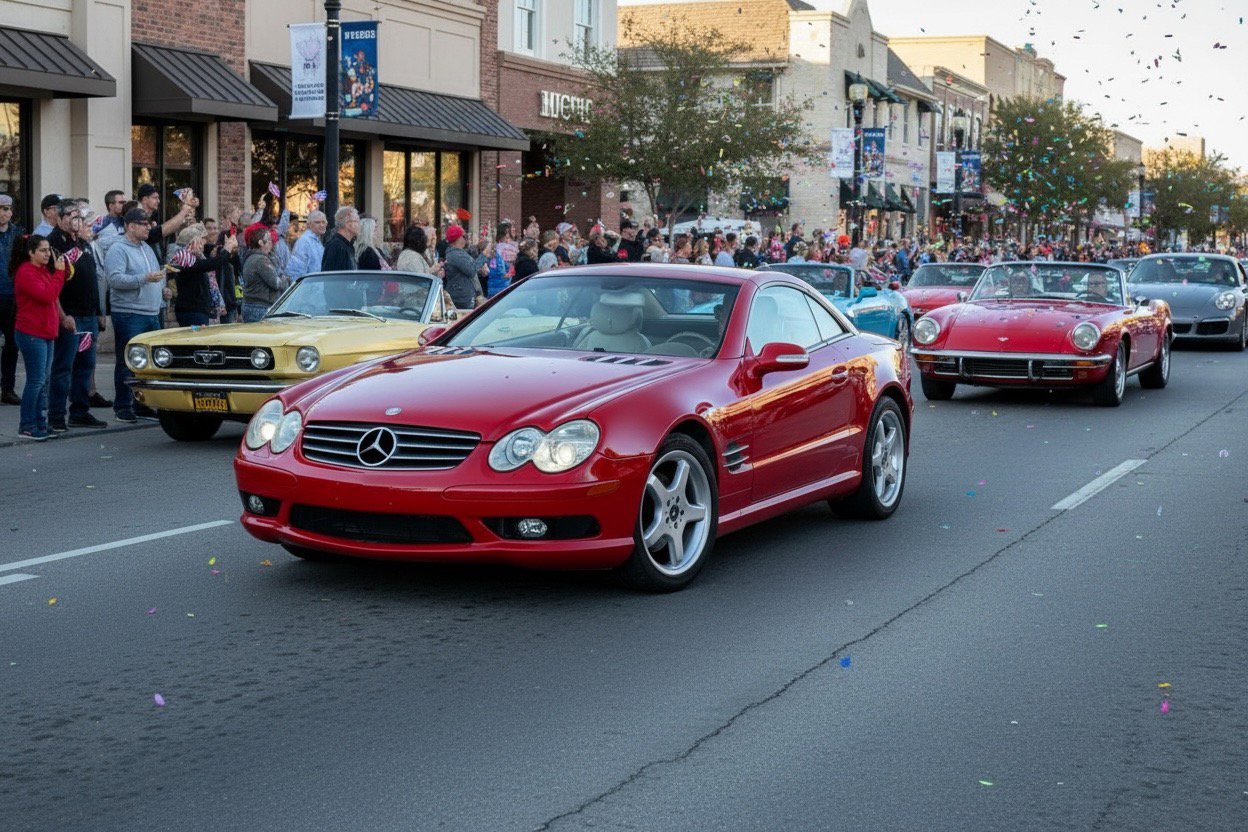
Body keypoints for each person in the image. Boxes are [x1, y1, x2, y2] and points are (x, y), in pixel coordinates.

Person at [46, 203, 106, 431]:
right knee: (63, 367)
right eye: (71, 216)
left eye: (79, 217)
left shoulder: (83, 243)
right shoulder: (53, 244)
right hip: (70, 316)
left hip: (88, 316)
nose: (76, 220)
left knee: (85, 364)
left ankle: (80, 411)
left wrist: (99, 312)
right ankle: (56, 416)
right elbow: (52, 284)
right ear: (59, 218)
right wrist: (63, 315)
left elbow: (93, 280)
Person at [106, 208, 166, 422]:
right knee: (128, 362)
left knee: (149, 364)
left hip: (152, 312)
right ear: (131, 226)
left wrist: (162, 291)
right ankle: (122, 406)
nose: (149, 227)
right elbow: (115, 280)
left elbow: (156, 273)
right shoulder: (118, 249)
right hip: (130, 313)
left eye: (149, 223)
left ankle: (141, 404)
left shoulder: (146, 248)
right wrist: (144, 279)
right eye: (144, 223)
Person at [12, 235, 69, 439]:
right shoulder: (26, 272)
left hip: (46, 332)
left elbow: (55, 291)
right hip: (31, 333)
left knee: (43, 381)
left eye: (48, 250)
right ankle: (27, 425)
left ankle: (40, 423)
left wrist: (61, 269)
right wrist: (59, 274)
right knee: (36, 381)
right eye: (43, 251)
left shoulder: (44, 271)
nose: (47, 254)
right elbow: (47, 296)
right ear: (31, 253)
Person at [169, 223, 236, 326]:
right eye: (200, 242)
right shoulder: (185, 258)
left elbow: (212, 257)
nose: (202, 245)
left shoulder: (195, 256)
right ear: (192, 243)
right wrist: (228, 248)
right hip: (192, 311)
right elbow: (213, 264)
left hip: (197, 310)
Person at [0, 194, 23, 405]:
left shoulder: (18, 234)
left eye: (8, 209)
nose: (5, 213)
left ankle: (7, 388)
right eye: (1, 208)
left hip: (12, 296)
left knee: (12, 344)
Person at [241, 227, 287, 322]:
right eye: (268, 240)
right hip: (260, 308)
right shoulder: (260, 260)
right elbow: (276, 283)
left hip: (253, 306)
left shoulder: (254, 257)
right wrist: (286, 279)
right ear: (260, 243)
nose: (271, 242)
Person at [442, 225, 484, 309]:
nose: (466, 238)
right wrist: (483, 255)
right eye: (464, 236)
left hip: (465, 296)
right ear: (458, 238)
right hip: (462, 298)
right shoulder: (455, 255)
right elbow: (471, 270)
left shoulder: (459, 253)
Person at [288, 210, 327, 280]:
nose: (321, 225)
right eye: (317, 222)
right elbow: (296, 271)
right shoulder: (304, 242)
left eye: (323, 222)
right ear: (309, 224)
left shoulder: (316, 241)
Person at [322, 207, 359, 271]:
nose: (359, 225)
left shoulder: (347, 245)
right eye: (357, 221)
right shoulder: (337, 246)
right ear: (347, 223)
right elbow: (334, 277)